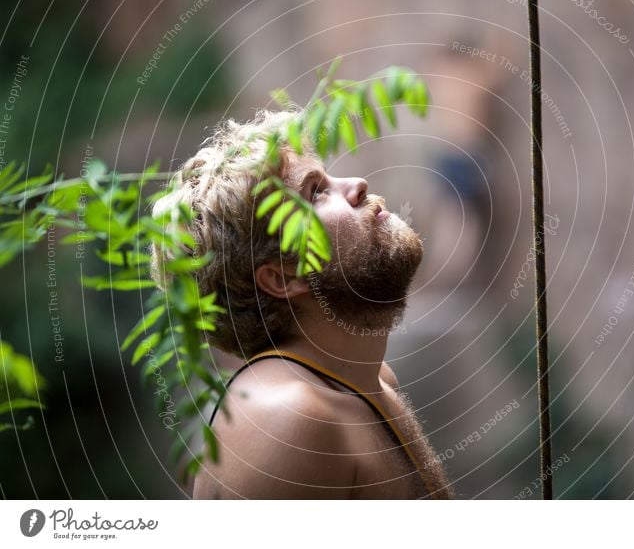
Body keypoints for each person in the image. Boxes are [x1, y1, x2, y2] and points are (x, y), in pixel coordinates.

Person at [150, 110, 454, 499]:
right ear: (282, 278)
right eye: (315, 192)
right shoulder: (287, 421)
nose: (358, 184)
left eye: (328, 177)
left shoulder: (370, 378)